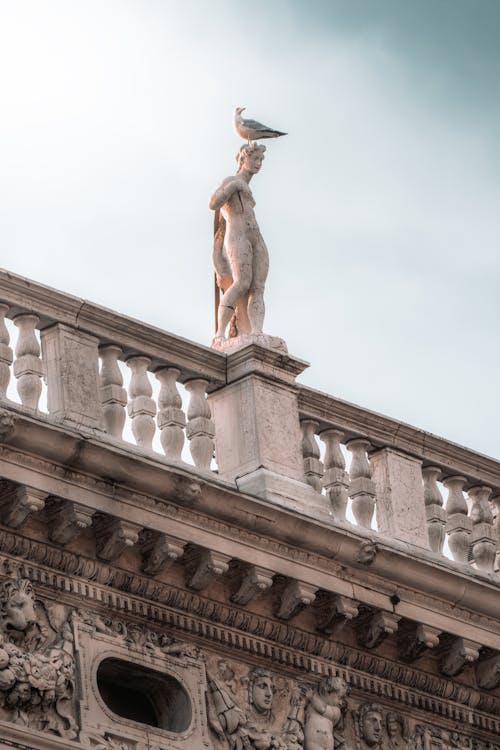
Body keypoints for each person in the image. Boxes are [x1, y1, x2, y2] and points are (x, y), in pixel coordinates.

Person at [209, 143, 269, 342]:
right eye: (255, 159)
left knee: (258, 287)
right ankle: (220, 334)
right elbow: (213, 203)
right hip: (238, 235)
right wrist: (233, 187)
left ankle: (256, 331)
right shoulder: (232, 181)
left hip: (256, 237)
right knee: (242, 282)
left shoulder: (249, 189)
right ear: (244, 159)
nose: (259, 164)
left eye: (261, 160)